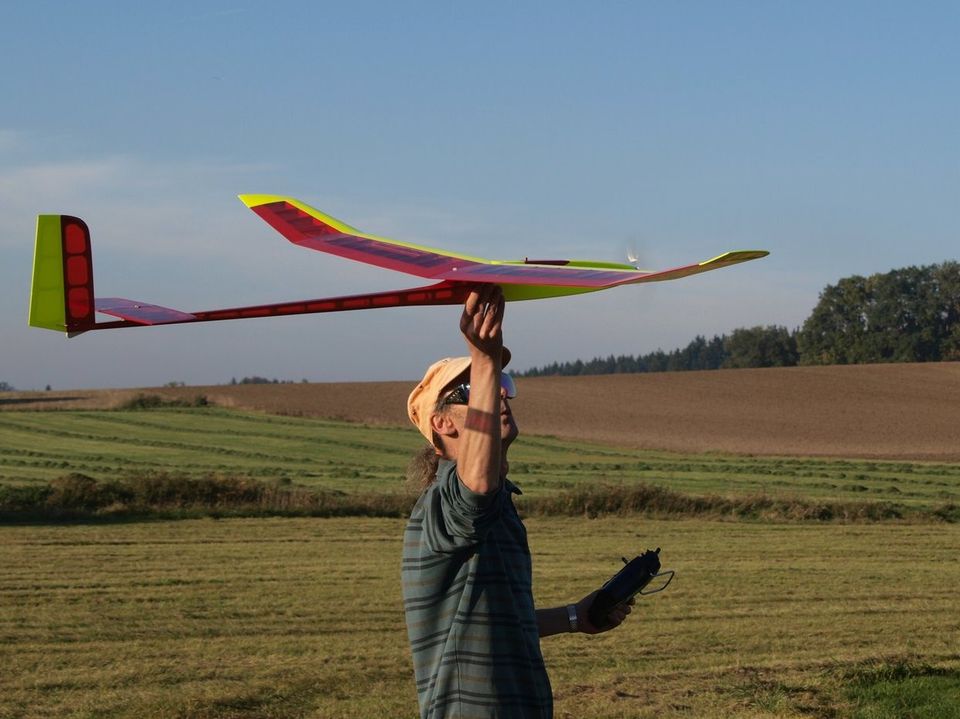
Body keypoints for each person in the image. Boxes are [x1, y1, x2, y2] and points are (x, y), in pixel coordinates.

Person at [402, 285, 632, 719]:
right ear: (441, 424)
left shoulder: (499, 503)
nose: (500, 394)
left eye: (500, 384)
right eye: (475, 388)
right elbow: (476, 488)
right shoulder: (449, 501)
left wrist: (574, 617)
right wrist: (486, 359)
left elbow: (497, 619)